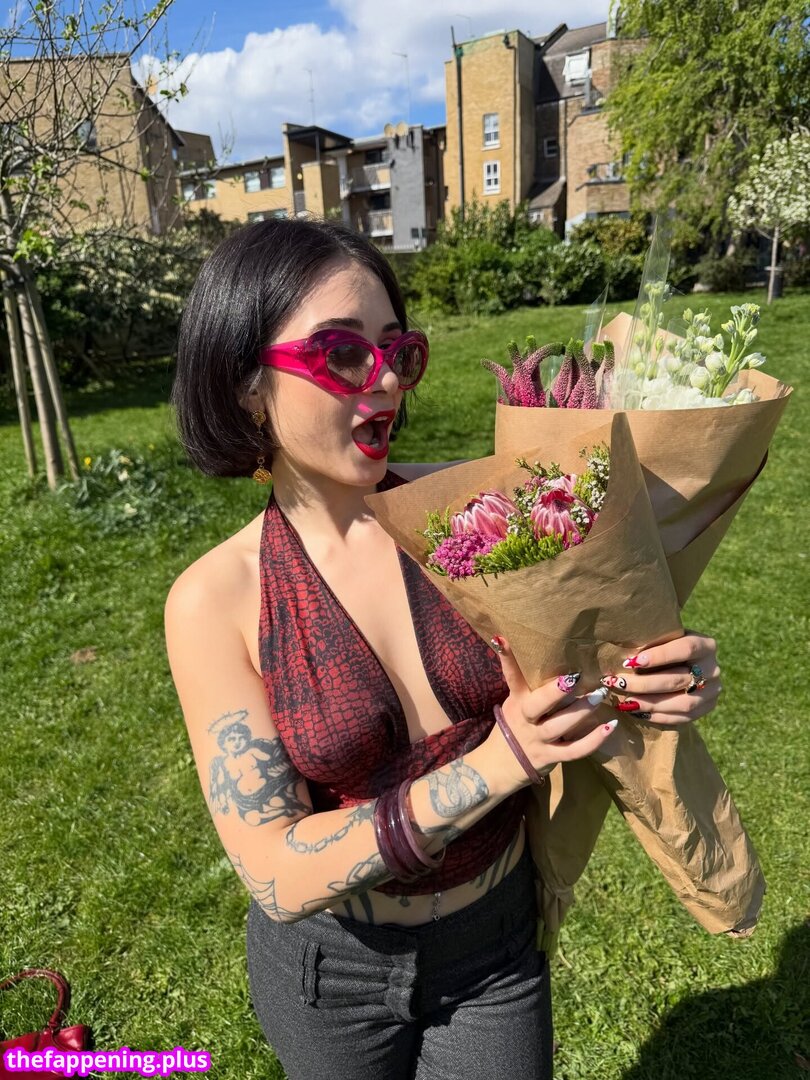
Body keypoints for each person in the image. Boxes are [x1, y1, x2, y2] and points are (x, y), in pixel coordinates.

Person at [164, 218, 721, 1080]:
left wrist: (656, 674)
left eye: (400, 351)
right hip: (334, 977)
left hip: (495, 946)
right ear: (246, 387)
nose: (386, 380)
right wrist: (501, 762)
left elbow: (581, 659)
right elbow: (272, 869)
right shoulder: (217, 599)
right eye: (342, 353)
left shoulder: (471, 511)